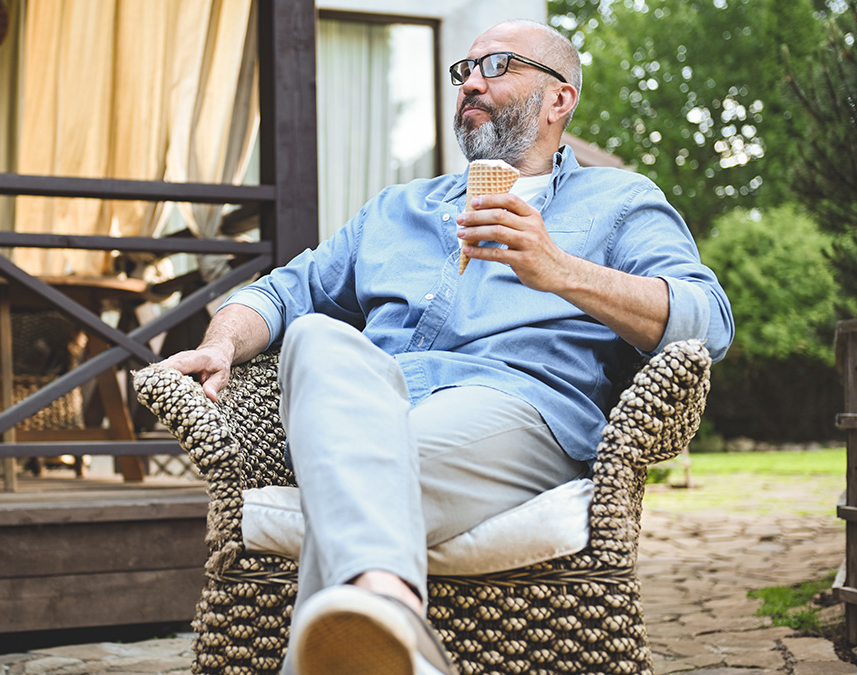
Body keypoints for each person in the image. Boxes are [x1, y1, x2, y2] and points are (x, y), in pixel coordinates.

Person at [160, 18, 734, 675]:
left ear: (559, 99)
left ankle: (382, 609)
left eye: (498, 65)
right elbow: (285, 291)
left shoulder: (619, 201)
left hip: (514, 408)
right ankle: (391, 609)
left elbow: (708, 322)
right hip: (373, 404)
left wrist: (559, 270)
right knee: (316, 334)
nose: (471, 83)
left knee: (356, 469)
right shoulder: (397, 209)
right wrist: (222, 344)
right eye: (465, 69)